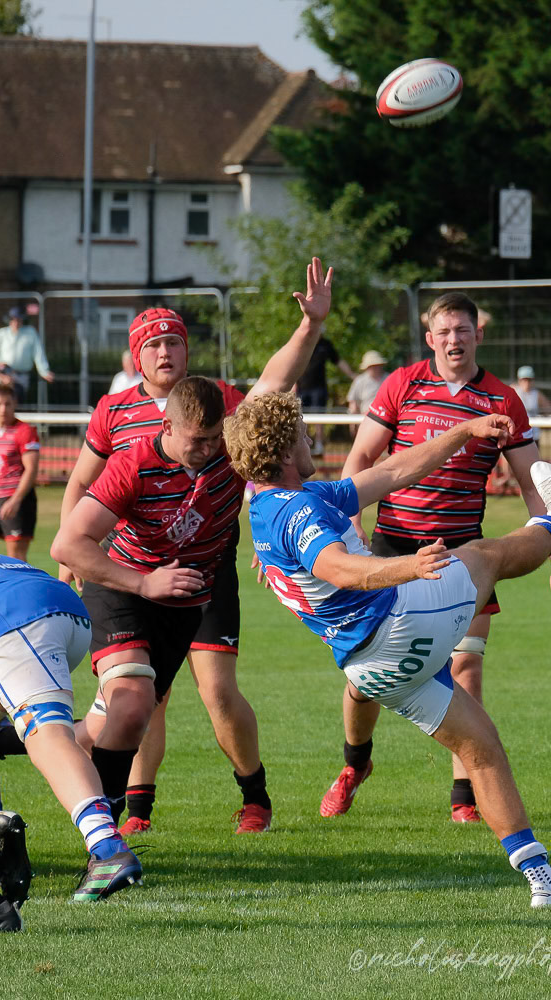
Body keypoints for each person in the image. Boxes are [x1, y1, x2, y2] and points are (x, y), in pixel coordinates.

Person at [224, 391, 551, 908]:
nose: (312, 439)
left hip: (370, 669)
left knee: (479, 744)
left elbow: (392, 473)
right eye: (305, 434)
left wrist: (464, 432)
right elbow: (337, 569)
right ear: (286, 452)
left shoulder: (271, 504)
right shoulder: (299, 508)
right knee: (484, 555)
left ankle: (542, 879)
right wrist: (407, 567)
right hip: (394, 627)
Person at [54, 256, 333, 836]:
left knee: (212, 689)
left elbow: (274, 384)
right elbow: (79, 504)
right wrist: (85, 567)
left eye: (174, 342)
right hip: (133, 571)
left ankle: (251, 795)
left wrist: (309, 327)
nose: (165, 352)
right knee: (136, 700)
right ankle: (121, 818)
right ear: (138, 359)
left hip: (204, 576)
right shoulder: (121, 428)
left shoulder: (224, 407)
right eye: (153, 345)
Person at [330, 292, 551, 824]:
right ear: (430, 337)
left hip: (465, 555)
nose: (453, 339)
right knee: (363, 679)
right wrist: (350, 528)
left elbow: (538, 486)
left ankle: (464, 797)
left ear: (477, 335)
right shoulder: (401, 384)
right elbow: (361, 459)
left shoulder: (502, 400)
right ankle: (356, 763)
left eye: (462, 330)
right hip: (394, 549)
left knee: (465, 669)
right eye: (443, 331)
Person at [0, 556, 142, 930]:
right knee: (43, 728)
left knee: (45, 731)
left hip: (17, 619)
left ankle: (107, 847)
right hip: (63, 610)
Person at [0, 383, 40, 562]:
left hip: (16, 500)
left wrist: (15, 500)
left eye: (7, 404)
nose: (3, 409)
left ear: (15, 404)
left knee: (16, 558)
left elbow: (31, 469)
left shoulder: (24, 431)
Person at [296, 334, 354, 456]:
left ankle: (319, 445)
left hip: (319, 388)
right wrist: (292, 384)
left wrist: (352, 376)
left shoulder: (325, 344)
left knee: (319, 417)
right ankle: (299, 445)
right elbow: (293, 363)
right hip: (301, 388)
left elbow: (338, 360)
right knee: (298, 418)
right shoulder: (301, 341)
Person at [0, 307, 54, 404]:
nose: (16, 322)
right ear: (9, 320)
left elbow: (38, 352)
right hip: (2, 375)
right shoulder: (2, 333)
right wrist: (2, 376)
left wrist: (44, 371)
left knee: (16, 400)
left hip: (21, 377)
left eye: (18, 319)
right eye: (13, 319)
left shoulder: (30, 332)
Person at [512, 365, 551, 443]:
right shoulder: (513, 391)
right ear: (519, 380)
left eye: (529, 380)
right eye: (524, 380)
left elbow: (548, 409)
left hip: (533, 434)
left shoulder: (537, 395)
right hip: (517, 434)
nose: (527, 383)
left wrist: (543, 419)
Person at [347, 351, 389, 420]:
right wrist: (353, 420)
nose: (375, 368)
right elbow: (353, 402)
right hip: (365, 418)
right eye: (372, 366)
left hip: (387, 418)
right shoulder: (360, 381)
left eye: (377, 365)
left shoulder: (390, 379)